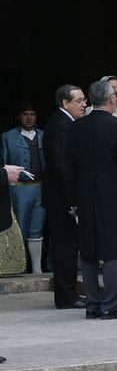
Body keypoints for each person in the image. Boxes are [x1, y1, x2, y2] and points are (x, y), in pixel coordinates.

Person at [66, 81, 117, 320]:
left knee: (88, 250)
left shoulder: (77, 126)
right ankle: (109, 304)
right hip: (113, 197)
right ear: (111, 99)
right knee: (113, 250)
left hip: (85, 195)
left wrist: (73, 198)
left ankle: (93, 304)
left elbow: (70, 165)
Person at [44, 84, 86, 309]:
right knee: (64, 248)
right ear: (65, 103)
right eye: (78, 101)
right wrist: (73, 199)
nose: (84, 104)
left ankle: (69, 293)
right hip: (62, 199)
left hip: (61, 197)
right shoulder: (61, 124)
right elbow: (62, 166)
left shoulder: (66, 122)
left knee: (69, 246)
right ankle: (66, 296)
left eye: (84, 100)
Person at [2, 105, 45, 274]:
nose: (29, 117)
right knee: (20, 227)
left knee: (37, 228)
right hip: (19, 188)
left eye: (32, 114)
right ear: (19, 117)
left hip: (41, 187)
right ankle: (19, 267)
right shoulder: (7, 137)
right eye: (25, 114)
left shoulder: (43, 135)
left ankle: (37, 268)